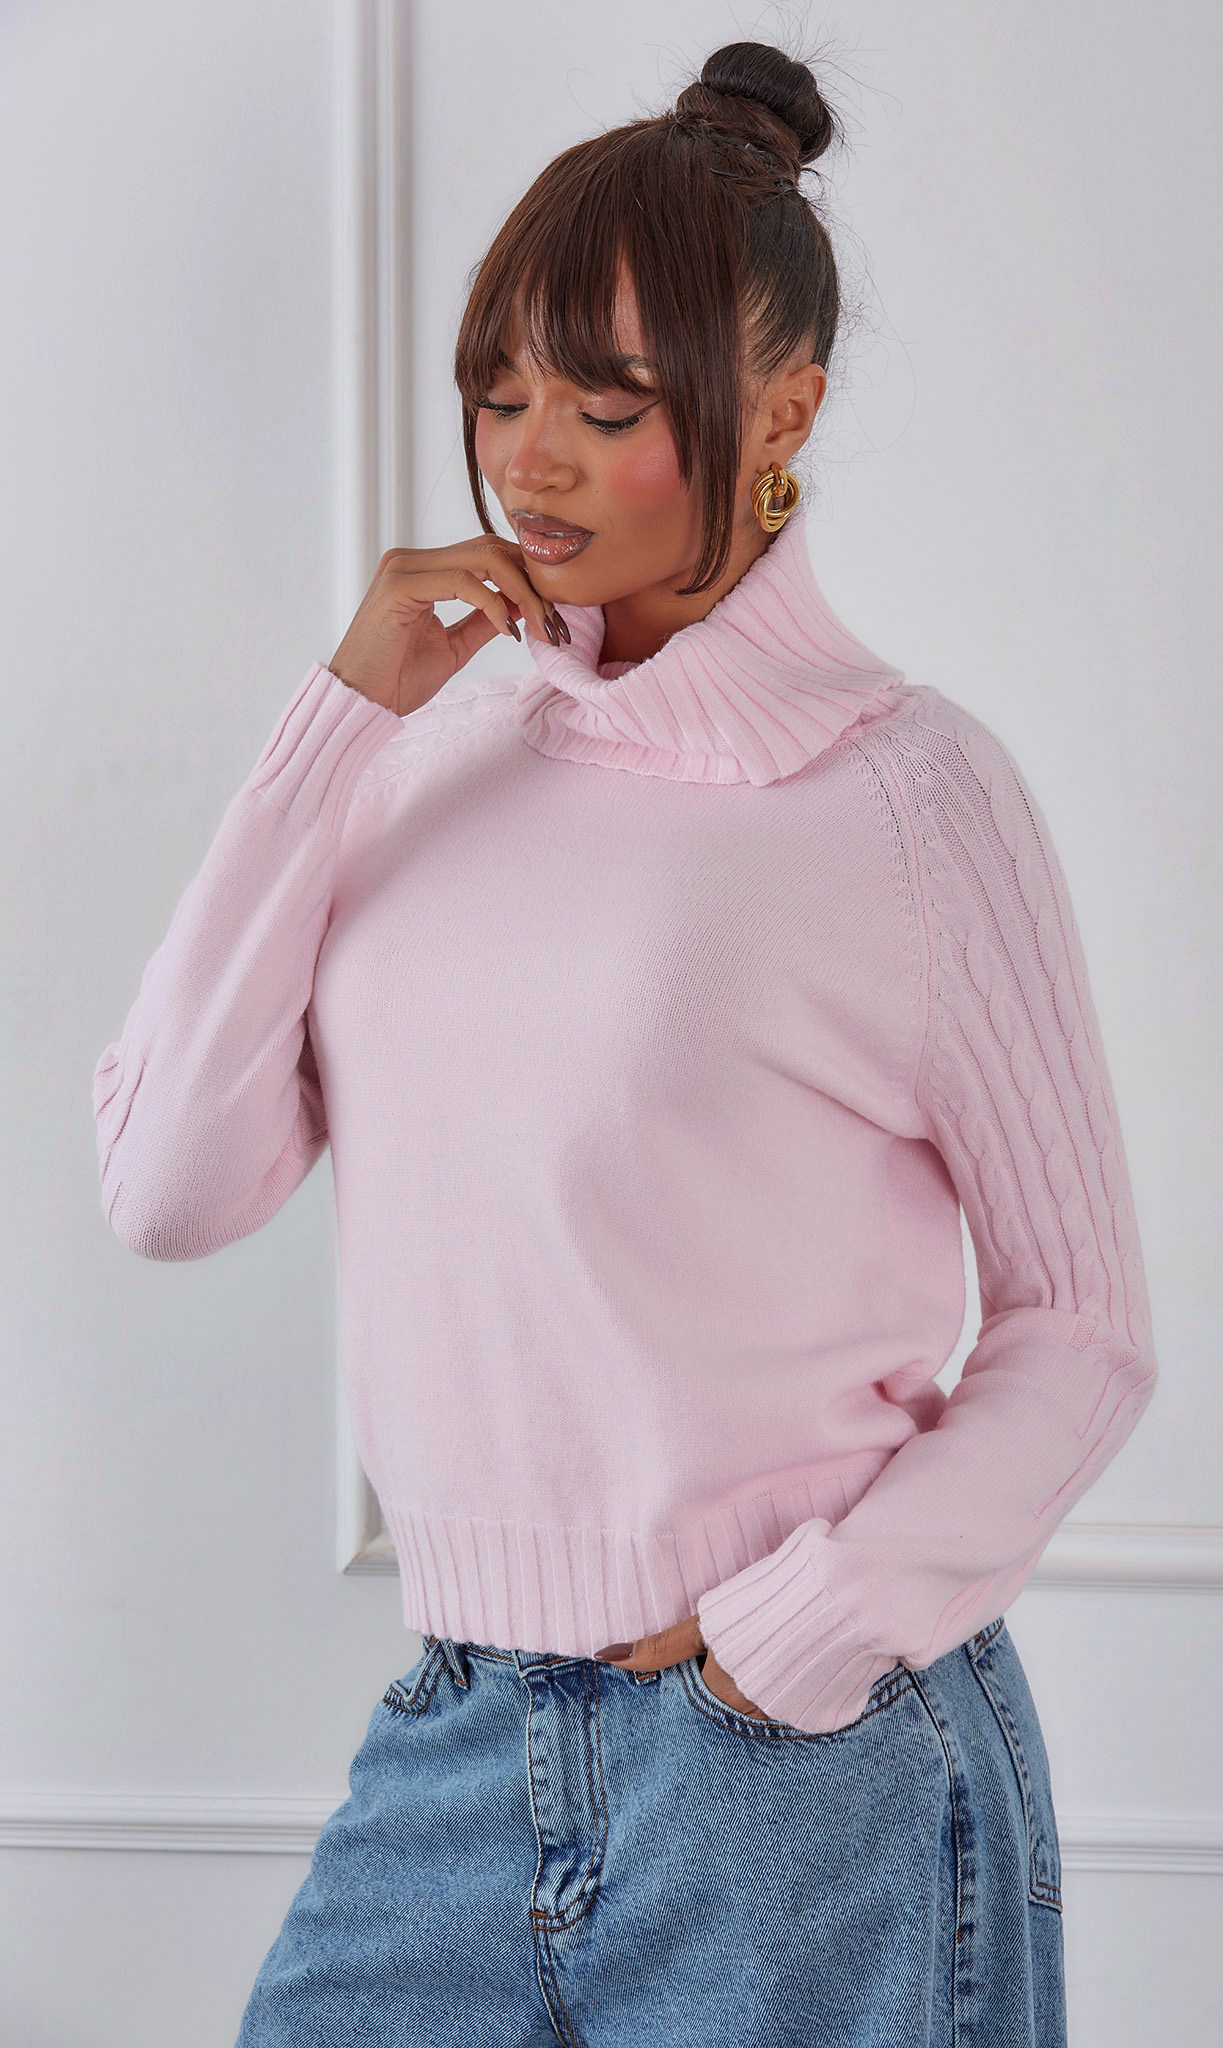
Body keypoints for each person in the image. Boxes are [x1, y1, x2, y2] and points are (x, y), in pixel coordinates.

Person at [92, 39, 1158, 2048]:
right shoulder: (430, 757)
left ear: (784, 414)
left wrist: (799, 1637)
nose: (532, 462)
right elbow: (165, 1188)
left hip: (799, 1761)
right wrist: (335, 722)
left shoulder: (910, 795)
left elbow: (1080, 1324)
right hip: (456, 1729)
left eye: (605, 408)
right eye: (499, 394)